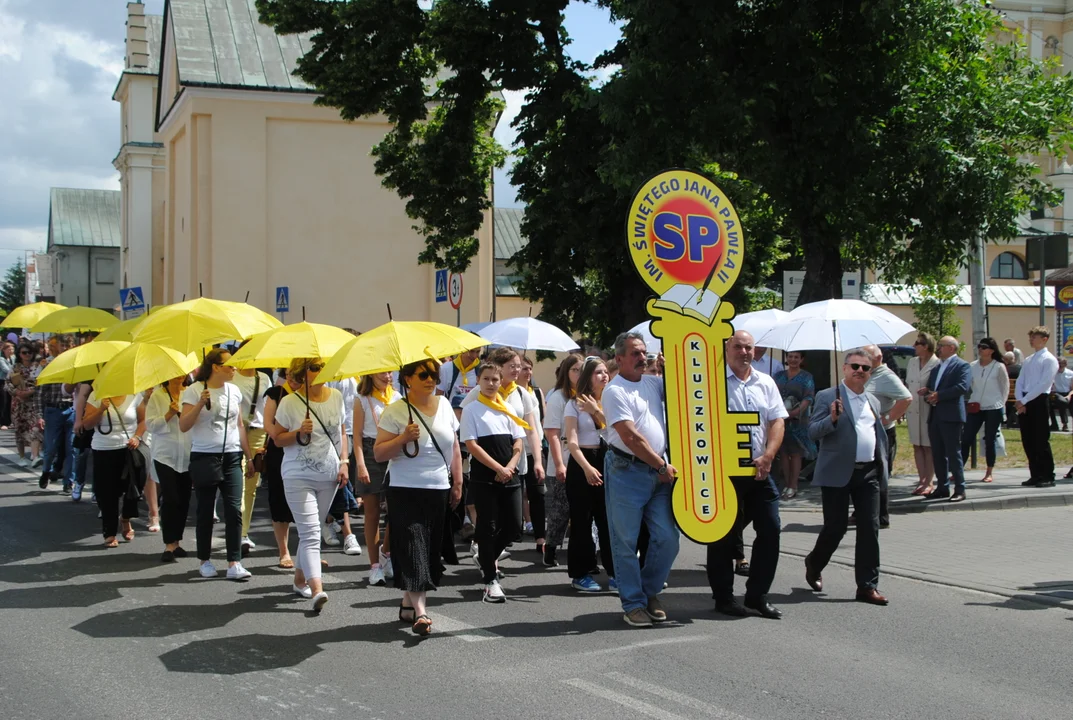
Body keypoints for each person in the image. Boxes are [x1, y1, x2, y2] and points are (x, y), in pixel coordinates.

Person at [375, 359, 463, 636]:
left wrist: (457, 480)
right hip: (404, 489)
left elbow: (454, 445)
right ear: (408, 379)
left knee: (429, 549)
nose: (431, 379)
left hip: (438, 488)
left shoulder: (445, 405)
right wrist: (402, 439)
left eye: (434, 374)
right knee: (414, 545)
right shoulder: (395, 411)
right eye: (423, 374)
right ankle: (422, 613)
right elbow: (379, 453)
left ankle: (407, 602)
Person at [707, 331, 787, 620]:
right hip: (725, 472)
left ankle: (756, 595)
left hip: (759, 470)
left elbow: (777, 421)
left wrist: (769, 455)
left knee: (771, 528)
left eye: (749, 347)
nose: (744, 352)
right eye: (738, 347)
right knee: (723, 536)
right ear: (727, 350)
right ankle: (724, 597)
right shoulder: (712, 382)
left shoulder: (765, 383)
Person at [602, 332, 679, 628]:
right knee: (625, 541)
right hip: (628, 471)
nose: (641, 357)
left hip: (658, 472)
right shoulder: (614, 390)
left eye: (644, 352)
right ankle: (633, 603)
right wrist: (661, 465)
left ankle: (648, 593)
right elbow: (630, 437)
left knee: (668, 538)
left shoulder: (652, 382)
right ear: (619, 359)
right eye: (634, 353)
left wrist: (669, 369)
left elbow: (678, 395)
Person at [805, 349, 890, 606]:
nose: (859, 371)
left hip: (868, 473)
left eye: (865, 368)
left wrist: (883, 464)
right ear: (844, 368)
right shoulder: (828, 396)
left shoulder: (872, 401)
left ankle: (867, 586)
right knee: (836, 527)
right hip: (837, 472)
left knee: (869, 528)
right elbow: (812, 432)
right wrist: (832, 418)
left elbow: (877, 435)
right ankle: (814, 562)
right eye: (855, 366)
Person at [273, 357, 347, 612]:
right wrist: (297, 433)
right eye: (315, 367)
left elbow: (341, 432)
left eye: (324, 366)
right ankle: (317, 589)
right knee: (311, 534)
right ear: (302, 373)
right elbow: (277, 439)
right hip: (297, 475)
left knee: (312, 529)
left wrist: (344, 462)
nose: (321, 371)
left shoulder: (336, 396)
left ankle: (298, 579)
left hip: (328, 474)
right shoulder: (289, 403)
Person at [460, 348, 545, 562]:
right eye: (512, 366)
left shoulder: (521, 394)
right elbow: (466, 424)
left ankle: (489, 555)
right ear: (500, 367)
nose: (517, 370)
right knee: (490, 517)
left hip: (514, 463)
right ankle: (487, 557)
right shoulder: (477, 394)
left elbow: (530, 429)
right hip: (486, 463)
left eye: (519, 365)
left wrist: (537, 459)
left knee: (511, 521)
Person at [180, 348, 255, 581]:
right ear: (215, 367)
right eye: (229, 365)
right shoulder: (194, 390)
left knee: (234, 508)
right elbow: (184, 425)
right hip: (204, 455)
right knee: (205, 510)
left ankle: (234, 562)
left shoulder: (234, 390)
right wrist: (200, 405)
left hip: (232, 455)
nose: (234, 369)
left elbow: (239, 425)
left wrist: (249, 456)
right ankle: (205, 560)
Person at [460, 362, 526, 603]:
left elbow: (518, 441)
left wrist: (509, 466)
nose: (490, 384)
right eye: (486, 379)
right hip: (485, 478)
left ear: (501, 382)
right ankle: (490, 580)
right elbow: (472, 445)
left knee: (513, 528)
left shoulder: (507, 408)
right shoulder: (471, 409)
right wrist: (497, 468)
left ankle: (486, 558)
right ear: (478, 380)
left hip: (510, 476)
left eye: (495, 380)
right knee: (486, 528)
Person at [563, 356, 615, 593]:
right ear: (587, 377)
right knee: (582, 521)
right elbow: (572, 442)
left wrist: (597, 411)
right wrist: (586, 467)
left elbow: (616, 430)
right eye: (598, 373)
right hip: (582, 462)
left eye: (605, 372)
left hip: (607, 461)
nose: (604, 376)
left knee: (608, 521)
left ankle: (614, 572)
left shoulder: (610, 401)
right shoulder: (573, 404)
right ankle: (580, 573)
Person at [82, 388, 147, 548]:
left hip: (129, 449)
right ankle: (109, 533)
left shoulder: (134, 394)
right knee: (107, 493)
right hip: (104, 449)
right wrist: (101, 410)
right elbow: (87, 424)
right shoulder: (96, 395)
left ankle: (125, 517)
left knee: (134, 487)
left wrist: (137, 437)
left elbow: (143, 420)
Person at [354, 371, 399, 586]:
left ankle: (386, 553)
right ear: (370, 374)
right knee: (372, 513)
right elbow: (357, 437)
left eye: (390, 371)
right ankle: (374, 566)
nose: (387, 375)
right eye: (382, 371)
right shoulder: (362, 399)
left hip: (394, 451)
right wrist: (361, 464)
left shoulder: (398, 397)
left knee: (396, 511)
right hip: (371, 452)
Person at [863, 344, 912, 527]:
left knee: (880, 474)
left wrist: (888, 417)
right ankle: (864, 511)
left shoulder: (886, 376)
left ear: (878, 357)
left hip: (882, 432)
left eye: (867, 356)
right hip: (867, 430)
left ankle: (881, 516)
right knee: (867, 473)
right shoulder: (869, 374)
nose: (863, 359)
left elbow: (906, 398)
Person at [146, 376, 193, 562]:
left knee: (184, 498)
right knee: (171, 497)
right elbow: (150, 425)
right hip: (165, 454)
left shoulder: (190, 393)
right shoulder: (158, 395)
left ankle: (177, 541)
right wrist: (169, 414)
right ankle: (168, 544)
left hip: (187, 453)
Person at [541, 354, 581, 568]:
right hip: (563, 459)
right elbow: (552, 434)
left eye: (582, 369)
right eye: (575, 369)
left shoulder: (585, 397)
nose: (579, 373)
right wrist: (559, 465)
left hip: (583, 460)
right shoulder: (558, 397)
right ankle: (551, 547)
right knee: (560, 509)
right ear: (566, 373)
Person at [921, 336, 972, 502]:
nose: (938, 349)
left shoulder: (962, 365)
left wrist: (939, 395)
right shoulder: (937, 367)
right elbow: (934, 387)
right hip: (935, 415)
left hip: (951, 416)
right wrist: (927, 392)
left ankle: (960, 489)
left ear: (951, 347)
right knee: (938, 453)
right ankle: (942, 487)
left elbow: (962, 387)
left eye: (941, 346)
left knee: (953, 452)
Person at [231, 360, 273, 554]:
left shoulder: (263, 378)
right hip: (236, 431)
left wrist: (267, 439)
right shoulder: (232, 376)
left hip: (258, 432)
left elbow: (268, 410)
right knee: (237, 482)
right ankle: (237, 532)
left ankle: (244, 533)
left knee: (251, 486)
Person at [262, 370, 300, 568]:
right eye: (291, 374)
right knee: (279, 500)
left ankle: (306, 553)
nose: (294, 380)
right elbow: (267, 423)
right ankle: (284, 552)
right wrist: (280, 436)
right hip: (280, 450)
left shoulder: (311, 393)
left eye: (299, 375)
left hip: (305, 450)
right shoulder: (276, 393)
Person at [959, 337, 1009, 485]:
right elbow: (967, 385)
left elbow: (1005, 388)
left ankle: (989, 471)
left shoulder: (998, 366)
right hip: (976, 406)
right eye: (980, 346)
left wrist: (1002, 406)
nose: (981, 349)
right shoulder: (972, 365)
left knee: (989, 439)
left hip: (993, 407)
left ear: (992, 350)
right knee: (966, 437)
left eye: (984, 347)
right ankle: (958, 470)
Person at [1016, 326, 1059, 488]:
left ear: (1044, 339)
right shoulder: (1028, 360)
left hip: (1038, 400)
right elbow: (1020, 381)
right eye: (1031, 337)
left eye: (1035, 337)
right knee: (1028, 440)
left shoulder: (1049, 359)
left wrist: (1025, 400)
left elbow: (1044, 384)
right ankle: (1035, 474)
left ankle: (1047, 475)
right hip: (1026, 400)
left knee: (1040, 439)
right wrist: (1020, 399)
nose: (1031, 340)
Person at [36, 335, 76, 491]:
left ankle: (68, 482)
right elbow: (39, 393)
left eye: (67, 345)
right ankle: (46, 471)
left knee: (71, 448)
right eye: (62, 345)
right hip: (53, 410)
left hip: (71, 409)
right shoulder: (47, 365)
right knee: (51, 448)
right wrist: (39, 415)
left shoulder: (75, 365)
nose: (65, 348)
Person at [773, 351, 815, 499]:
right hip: (780, 418)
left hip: (798, 419)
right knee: (783, 452)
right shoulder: (778, 376)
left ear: (801, 359)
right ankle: (786, 484)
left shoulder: (807, 377)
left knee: (795, 452)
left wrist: (796, 412)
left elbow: (809, 397)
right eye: (790, 356)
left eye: (796, 357)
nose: (792, 359)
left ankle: (793, 485)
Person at [906, 332, 939, 495]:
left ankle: (929, 481)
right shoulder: (912, 362)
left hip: (928, 410)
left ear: (926, 346)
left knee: (928, 446)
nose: (914, 346)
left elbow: (939, 387)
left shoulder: (936, 363)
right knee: (917, 445)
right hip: (913, 410)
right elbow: (907, 386)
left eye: (917, 343)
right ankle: (921, 480)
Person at [518, 356, 546, 546]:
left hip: (534, 449)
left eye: (530, 369)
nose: (528, 372)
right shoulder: (511, 393)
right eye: (523, 368)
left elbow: (542, 418)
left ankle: (540, 537)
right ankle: (513, 531)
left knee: (538, 494)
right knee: (515, 493)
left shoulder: (536, 392)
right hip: (515, 451)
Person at [6, 342, 43, 468]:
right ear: (19, 354)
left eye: (29, 352)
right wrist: (17, 392)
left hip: (33, 402)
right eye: (24, 352)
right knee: (19, 429)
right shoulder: (15, 367)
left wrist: (31, 391)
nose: (27, 355)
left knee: (35, 428)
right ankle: (22, 456)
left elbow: (41, 383)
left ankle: (35, 455)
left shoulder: (38, 366)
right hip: (18, 403)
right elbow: (8, 383)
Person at [1049, 358, 1072, 432]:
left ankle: (1064, 424)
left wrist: (1068, 396)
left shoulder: (1070, 373)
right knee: (1060, 402)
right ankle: (1061, 424)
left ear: (1065, 365)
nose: (1059, 366)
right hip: (1056, 394)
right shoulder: (1053, 373)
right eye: (1058, 364)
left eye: (1061, 364)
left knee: (1063, 402)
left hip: (1068, 394)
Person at [1004, 351, 1021, 429]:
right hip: (1017, 395)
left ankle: (1009, 419)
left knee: (1008, 402)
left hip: (1007, 395)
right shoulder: (1019, 368)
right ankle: (1014, 419)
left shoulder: (1004, 369)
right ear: (1013, 359)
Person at [0, 341, 15, 429]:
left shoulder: (13, 358)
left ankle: (8, 421)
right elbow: (6, 369)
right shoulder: (1, 359)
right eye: (9, 349)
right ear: (4, 350)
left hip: (10, 381)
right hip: (2, 382)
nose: (11, 351)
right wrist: (15, 371)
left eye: (12, 349)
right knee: (3, 401)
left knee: (9, 401)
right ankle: (3, 422)